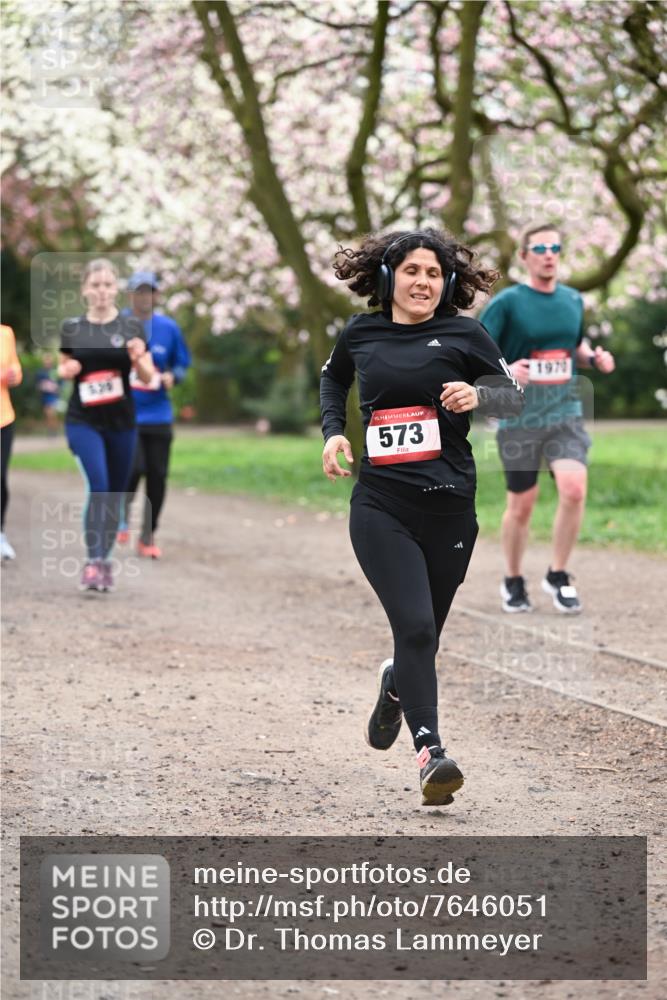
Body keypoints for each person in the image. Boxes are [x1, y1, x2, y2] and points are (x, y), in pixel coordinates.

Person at [320, 228, 524, 806]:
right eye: (412, 271)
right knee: (413, 628)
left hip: (451, 508)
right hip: (382, 505)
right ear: (389, 278)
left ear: (447, 283)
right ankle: (431, 754)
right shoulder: (361, 332)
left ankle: (396, 687)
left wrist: (479, 397)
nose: (423, 282)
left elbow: (513, 395)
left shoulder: (465, 333)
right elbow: (333, 378)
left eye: (434, 274)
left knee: (423, 638)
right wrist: (334, 434)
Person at [479, 223, 615, 615]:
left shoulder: (573, 300)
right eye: (539, 247)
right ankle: (513, 578)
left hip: (565, 412)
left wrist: (592, 357)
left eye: (555, 247)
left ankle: (558, 574)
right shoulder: (507, 303)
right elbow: (477, 350)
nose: (549, 253)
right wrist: (507, 371)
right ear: (524, 256)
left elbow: (572, 344)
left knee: (574, 489)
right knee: (522, 504)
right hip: (519, 418)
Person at [58, 258, 156, 592]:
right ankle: (93, 561)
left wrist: (138, 358)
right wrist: (67, 369)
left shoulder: (132, 328)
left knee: (114, 494)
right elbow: (63, 365)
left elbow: (148, 376)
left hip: (121, 422)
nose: (101, 291)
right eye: (95, 285)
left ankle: (105, 560)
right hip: (83, 420)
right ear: (85, 289)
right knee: (98, 487)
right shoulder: (73, 327)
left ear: (116, 289)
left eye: (107, 285)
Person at [117, 270, 191, 558]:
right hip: (126, 413)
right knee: (133, 468)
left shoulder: (168, 328)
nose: (144, 297)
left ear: (156, 295)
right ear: (130, 295)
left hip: (159, 413)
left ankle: (147, 536)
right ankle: (121, 516)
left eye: (149, 291)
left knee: (158, 476)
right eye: (139, 291)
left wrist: (174, 376)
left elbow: (182, 364)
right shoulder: (117, 324)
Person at [1, 324, 23, 560]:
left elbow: (14, 366)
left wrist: (15, 374)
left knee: (0, 477)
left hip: (3, 417)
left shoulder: (6, 333)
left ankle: (0, 533)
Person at [35, 352, 61, 434]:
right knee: (48, 415)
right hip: (45, 396)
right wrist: (43, 386)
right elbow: (38, 385)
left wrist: (55, 387)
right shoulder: (40, 373)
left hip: (53, 396)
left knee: (51, 413)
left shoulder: (55, 372)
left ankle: (53, 431)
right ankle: (51, 430)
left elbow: (60, 384)